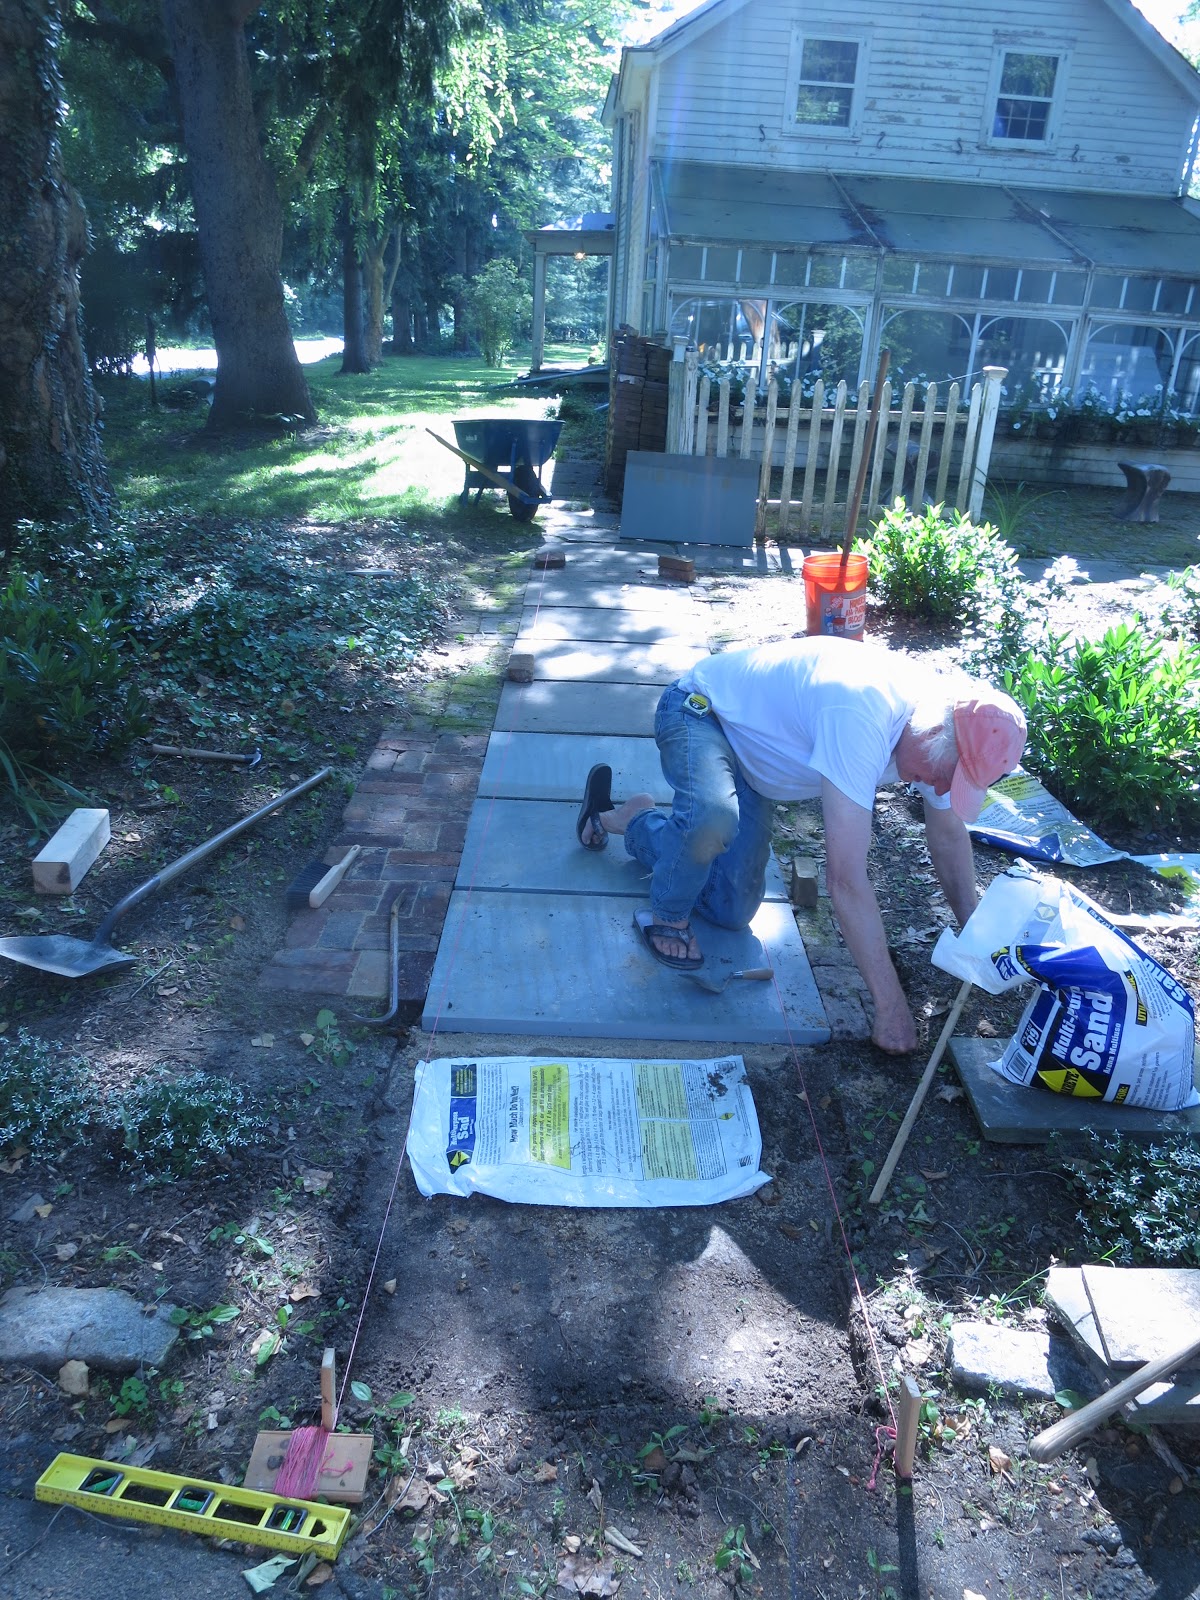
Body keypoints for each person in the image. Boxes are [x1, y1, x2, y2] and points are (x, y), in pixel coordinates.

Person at [575, 636, 1026, 1054]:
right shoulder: (861, 714)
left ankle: (636, 821)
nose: (943, 788)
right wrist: (890, 1008)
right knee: (713, 821)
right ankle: (667, 914)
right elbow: (845, 880)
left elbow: (947, 836)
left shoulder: (946, 727)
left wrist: (981, 939)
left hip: (754, 762)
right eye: (947, 777)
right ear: (931, 734)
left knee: (730, 910)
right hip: (701, 712)